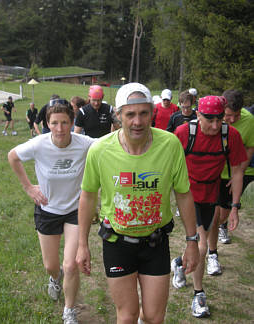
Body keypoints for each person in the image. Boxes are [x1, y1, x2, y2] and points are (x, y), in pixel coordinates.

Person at [76, 82, 199, 324]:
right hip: (117, 243)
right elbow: (88, 195)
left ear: (152, 113)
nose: (137, 121)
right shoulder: (100, 150)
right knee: (127, 315)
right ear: (118, 115)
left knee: (154, 317)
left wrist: (192, 241)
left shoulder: (170, 145)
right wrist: (82, 244)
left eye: (144, 113)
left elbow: (183, 194)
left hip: (155, 242)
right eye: (130, 114)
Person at [8, 99, 95, 324]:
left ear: (72, 122)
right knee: (51, 265)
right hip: (47, 209)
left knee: (71, 264)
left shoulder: (84, 143)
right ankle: (55, 279)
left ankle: (69, 310)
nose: (59, 129)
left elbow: (108, 146)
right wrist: (28, 187)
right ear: (47, 123)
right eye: (54, 123)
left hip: (75, 210)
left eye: (64, 122)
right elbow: (13, 156)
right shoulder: (39, 144)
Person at [172, 95, 247, 318]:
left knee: (197, 245)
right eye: (210, 120)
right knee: (201, 245)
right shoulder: (184, 134)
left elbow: (237, 171)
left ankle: (179, 263)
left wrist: (234, 207)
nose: (215, 126)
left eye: (220, 120)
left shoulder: (230, 135)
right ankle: (199, 295)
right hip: (188, 195)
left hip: (211, 194)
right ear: (197, 115)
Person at [206, 90, 254, 275]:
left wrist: (238, 174)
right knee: (212, 215)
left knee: (221, 216)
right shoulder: (213, 118)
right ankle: (212, 253)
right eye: (228, 116)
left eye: (236, 116)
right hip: (213, 173)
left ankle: (221, 227)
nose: (232, 120)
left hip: (232, 174)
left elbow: (249, 147)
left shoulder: (249, 121)